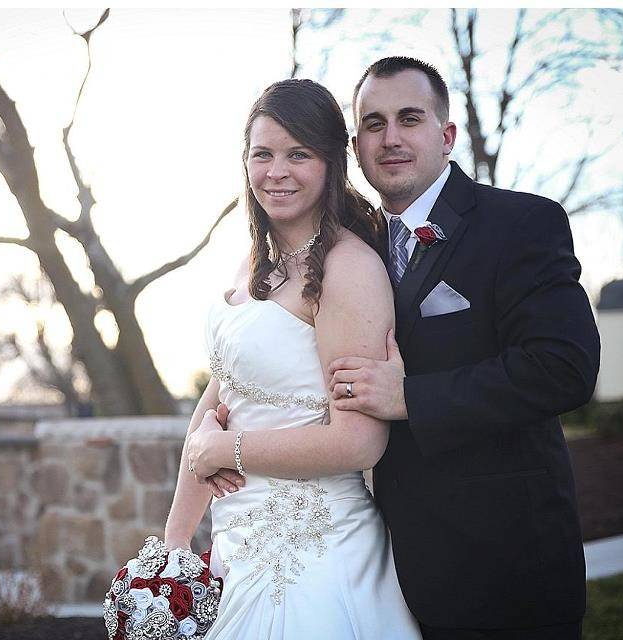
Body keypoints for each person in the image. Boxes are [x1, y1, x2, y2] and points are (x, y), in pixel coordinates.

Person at [327, 56, 601, 639]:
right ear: (355, 145)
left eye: (409, 118)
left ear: (446, 134)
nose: (391, 138)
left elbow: (564, 367)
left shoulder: (520, 223)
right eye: (373, 124)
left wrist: (412, 398)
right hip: (388, 581)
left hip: (507, 577)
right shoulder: (354, 253)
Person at [162, 78, 421, 639]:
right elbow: (220, 395)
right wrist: (173, 550)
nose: (276, 171)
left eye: (298, 154)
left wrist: (226, 449)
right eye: (263, 154)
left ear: (332, 162)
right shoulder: (254, 262)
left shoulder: (346, 269)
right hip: (239, 543)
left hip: (315, 556)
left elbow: (360, 442)